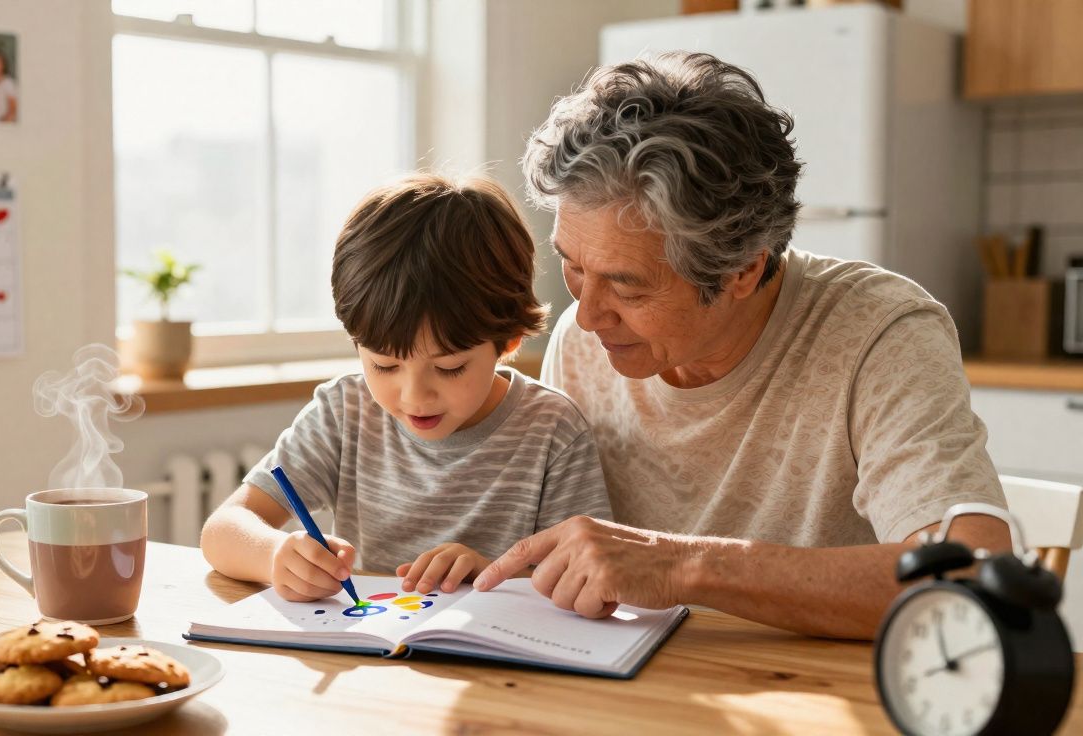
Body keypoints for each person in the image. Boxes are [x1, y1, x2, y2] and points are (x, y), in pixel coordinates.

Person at [473, 51, 1011, 640]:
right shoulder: (582, 341)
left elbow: (973, 578)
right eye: (572, 266)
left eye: (627, 284)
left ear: (742, 271)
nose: (589, 312)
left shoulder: (880, 334)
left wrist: (684, 565)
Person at [201, 173, 612, 601]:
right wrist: (275, 555)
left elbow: (587, 580)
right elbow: (223, 530)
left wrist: (493, 574)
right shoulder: (345, 412)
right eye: (384, 364)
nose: (415, 396)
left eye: (450, 367)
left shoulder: (553, 430)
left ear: (508, 342)